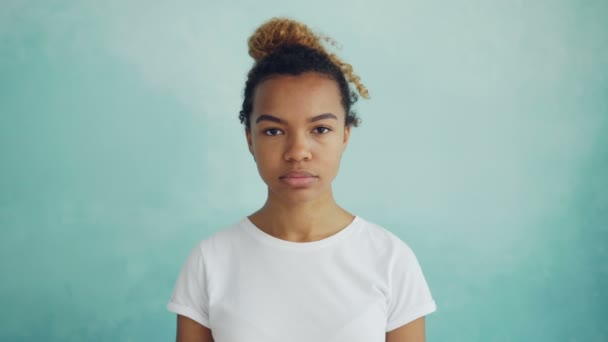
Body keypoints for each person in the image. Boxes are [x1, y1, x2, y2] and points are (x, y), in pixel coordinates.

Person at [166, 17, 437, 342]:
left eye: (320, 129)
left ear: (345, 135)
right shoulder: (210, 262)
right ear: (250, 139)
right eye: (274, 131)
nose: (297, 152)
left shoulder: (391, 260)